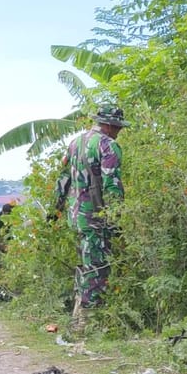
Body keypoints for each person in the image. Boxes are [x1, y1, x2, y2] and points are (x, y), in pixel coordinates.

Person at [54, 106, 127, 331]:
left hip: (75, 215)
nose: (118, 132)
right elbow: (111, 183)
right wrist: (117, 216)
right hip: (95, 216)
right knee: (97, 267)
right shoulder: (107, 145)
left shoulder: (75, 143)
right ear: (109, 125)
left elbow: (62, 180)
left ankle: (78, 314)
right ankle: (87, 322)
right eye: (117, 128)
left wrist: (56, 208)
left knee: (85, 264)